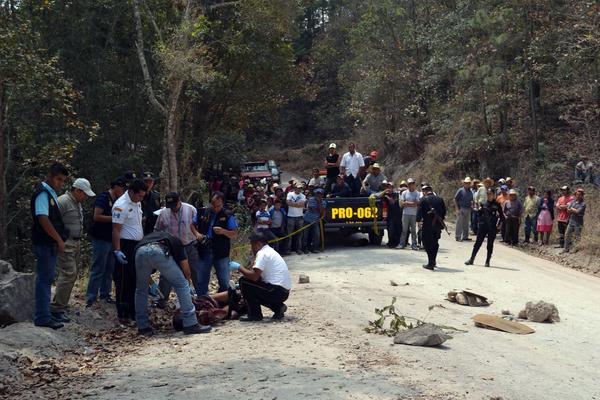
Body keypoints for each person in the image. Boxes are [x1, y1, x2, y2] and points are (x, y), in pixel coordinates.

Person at [134, 231, 212, 336]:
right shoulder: (176, 241)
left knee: (141, 290)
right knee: (181, 285)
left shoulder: (148, 238)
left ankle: (143, 327)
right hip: (158, 250)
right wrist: (187, 283)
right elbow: (186, 269)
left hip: (139, 252)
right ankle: (190, 324)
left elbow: (143, 274)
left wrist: (151, 283)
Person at [50, 178, 95, 322]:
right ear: (77, 190)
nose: (86, 197)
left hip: (75, 242)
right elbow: (52, 221)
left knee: (72, 274)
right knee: (69, 273)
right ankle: (56, 309)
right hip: (65, 242)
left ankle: (62, 304)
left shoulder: (76, 202)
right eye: (84, 194)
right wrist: (59, 240)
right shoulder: (62, 201)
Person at [31, 163, 70, 329]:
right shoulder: (42, 193)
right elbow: (43, 218)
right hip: (45, 243)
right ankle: (43, 317)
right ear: (50, 176)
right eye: (58, 179)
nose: (60, 183)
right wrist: (59, 239)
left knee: (47, 279)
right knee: (45, 280)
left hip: (50, 243)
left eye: (63, 180)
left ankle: (46, 314)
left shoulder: (50, 193)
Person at [230, 232, 292, 321]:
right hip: (283, 292)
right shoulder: (270, 251)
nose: (252, 249)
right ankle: (278, 307)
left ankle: (255, 315)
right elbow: (258, 278)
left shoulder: (262, 253)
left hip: (275, 291)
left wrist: (239, 267)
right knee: (252, 288)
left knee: (244, 282)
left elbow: (254, 277)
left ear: (258, 244)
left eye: (252, 245)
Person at [154, 192, 204, 301]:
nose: (172, 209)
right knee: (166, 274)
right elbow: (157, 230)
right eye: (170, 206)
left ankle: (202, 297)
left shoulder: (191, 210)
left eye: (174, 206)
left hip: (190, 246)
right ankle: (162, 299)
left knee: (195, 272)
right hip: (171, 249)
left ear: (179, 201)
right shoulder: (163, 213)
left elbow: (198, 226)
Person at [86, 177, 127, 307]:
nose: (123, 191)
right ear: (115, 187)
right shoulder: (104, 198)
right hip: (101, 238)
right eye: (122, 188)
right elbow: (96, 216)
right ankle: (91, 297)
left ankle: (105, 294)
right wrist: (115, 218)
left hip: (112, 238)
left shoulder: (118, 201)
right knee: (98, 267)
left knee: (109, 268)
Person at [112, 179, 147, 324]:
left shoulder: (137, 202)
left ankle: (133, 311)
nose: (141, 198)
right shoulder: (121, 205)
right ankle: (123, 313)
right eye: (140, 195)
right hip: (125, 245)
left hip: (136, 244)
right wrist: (117, 250)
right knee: (123, 280)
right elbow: (115, 230)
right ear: (132, 192)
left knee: (134, 279)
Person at [196, 192, 238, 295]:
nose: (215, 208)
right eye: (213, 205)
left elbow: (234, 234)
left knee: (224, 280)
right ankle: (203, 301)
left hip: (221, 251)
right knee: (202, 279)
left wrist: (223, 231)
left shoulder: (228, 215)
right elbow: (192, 224)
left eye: (218, 206)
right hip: (204, 249)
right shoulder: (204, 212)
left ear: (222, 204)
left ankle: (225, 303)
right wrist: (197, 234)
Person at [465, 189, 505, 267]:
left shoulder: (497, 205)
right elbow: (479, 214)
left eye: (490, 194)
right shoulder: (483, 204)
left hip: (492, 227)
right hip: (483, 226)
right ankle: (471, 259)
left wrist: (499, 226)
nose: (489, 195)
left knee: (490, 245)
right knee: (477, 243)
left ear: (494, 195)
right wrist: (479, 214)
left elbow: (502, 217)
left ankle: (487, 261)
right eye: (488, 194)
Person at [417, 185, 446, 270]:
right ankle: (433, 261)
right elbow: (444, 213)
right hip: (437, 225)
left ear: (425, 192)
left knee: (427, 244)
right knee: (435, 243)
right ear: (432, 191)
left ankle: (431, 263)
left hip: (427, 226)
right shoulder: (440, 199)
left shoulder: (423, 200)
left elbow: (418, 216)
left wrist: (419, 221)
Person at [284, 183, 306, 255]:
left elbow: (302, 204)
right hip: (291, 217)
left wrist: (293, 203)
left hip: (300, 217)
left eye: (300, 188)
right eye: (297, 188)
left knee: (300, 234)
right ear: (294, 188)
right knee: (289, 234)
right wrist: (297, 204)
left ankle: (298, 249)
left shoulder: (303, 196)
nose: (299, 189)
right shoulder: (290, 194)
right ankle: (288, 250)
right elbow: (288, 203)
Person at [563, 188, 586, 253]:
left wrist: (572, 209)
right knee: (567, 234)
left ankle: (575, 249)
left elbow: (578, 211)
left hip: (578, 222)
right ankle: (566, 248)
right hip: (571, 221)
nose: (578, 196)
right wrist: (573, 210)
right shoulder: (573, 201)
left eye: (580, 194)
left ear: (582, 195)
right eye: (577, 194)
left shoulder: (583, 204)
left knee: (577, 236)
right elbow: (568, 210)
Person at [303, 188, 326, 253]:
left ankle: (313, 248)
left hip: (315, 221)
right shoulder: (311, 199)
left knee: (317, 235)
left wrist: (319, 203)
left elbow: (321, 211)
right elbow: (312, 209)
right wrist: (319, 208)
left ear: (322, 195)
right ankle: (305, 249)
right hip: (307, 220)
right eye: (317, 194)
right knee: (305, 236)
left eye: (320, 194)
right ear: (315, 194)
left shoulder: (323, 202)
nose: (318, 195)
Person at [399, 178, 420, 250]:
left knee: (413, 230)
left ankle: (414, 244)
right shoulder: (404, 193)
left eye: (413, 183)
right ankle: (402, 244)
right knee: (404, 230)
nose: (412, 185)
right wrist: (410, 203)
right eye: (410, 184)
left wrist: (406, 203)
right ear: (408, 185)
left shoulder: (417, 193)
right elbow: (401, 204)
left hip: (414, 214)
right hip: (405, 214)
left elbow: (416, 204)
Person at [454, 177, 473, 242]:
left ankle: (465, 236)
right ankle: (458, 236)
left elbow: (471, 200)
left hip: (468, 208)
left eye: (468, 183)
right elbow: (455, 199)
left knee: (466, 223)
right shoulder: (460, 190)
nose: (467, 184)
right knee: (459, 223)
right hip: (461, 208)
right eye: (466, 183)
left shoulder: (470, 191)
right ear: (464, 183)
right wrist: (457, 209)